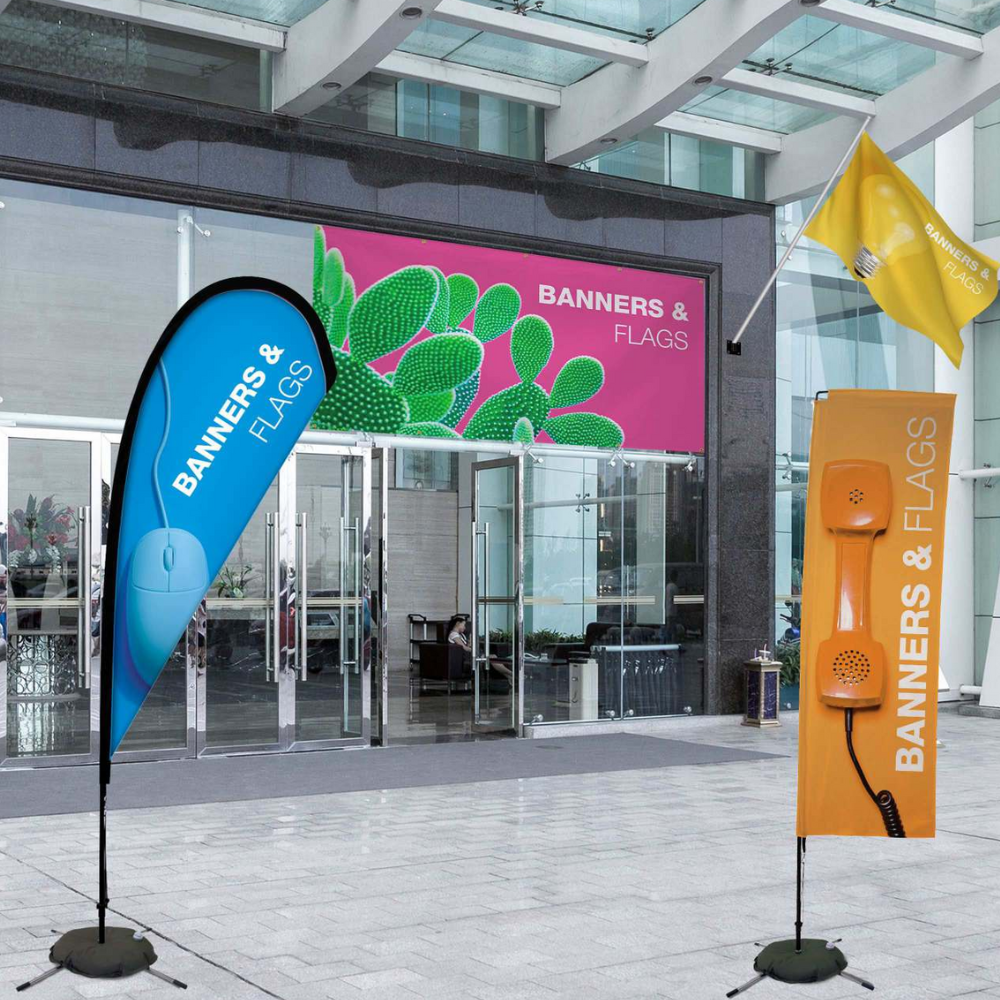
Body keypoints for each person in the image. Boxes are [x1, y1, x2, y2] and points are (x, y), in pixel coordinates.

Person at [446, 614, 513, 684]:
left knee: (493, 658)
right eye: (463, 625)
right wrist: (476, 652)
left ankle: (510, 676)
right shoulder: (453, 634)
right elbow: (464, 648)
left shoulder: (461, 635)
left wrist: (470, 641)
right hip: (466, 658)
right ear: (458, 624)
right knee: (493, 658)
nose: (465, 627)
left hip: (469, 655)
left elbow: (467, 646)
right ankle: (512, 674)